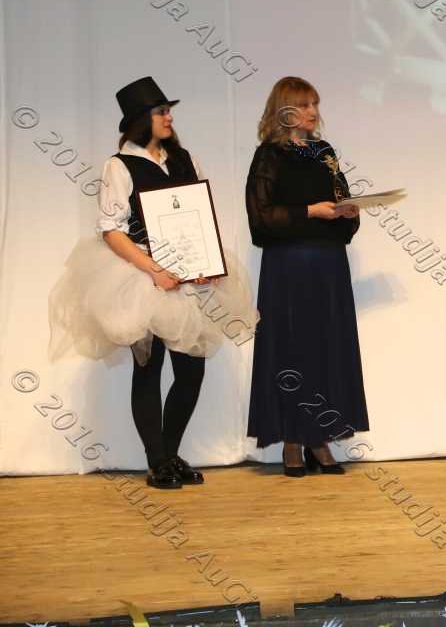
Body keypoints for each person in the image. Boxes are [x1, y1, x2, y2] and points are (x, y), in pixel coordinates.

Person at [48, 76, 257, 489]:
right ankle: (157, 461)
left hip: (187, 276)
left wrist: (206, 262)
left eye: (168, 111)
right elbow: (112, 230)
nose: (169, 117)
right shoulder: (119, 166)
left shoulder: (185, 159)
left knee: (191, 371)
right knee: (149, 369)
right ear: (142, 119)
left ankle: (170, 454)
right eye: (162, 112)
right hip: (143, 277)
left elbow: (200, 216)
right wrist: (153, 269)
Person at [245, 76, 368, 477]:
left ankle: (320, 438)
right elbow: (261, 218)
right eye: (304, 104)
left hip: (328, 266)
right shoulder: (269, 156)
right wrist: (310, 211)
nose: (313, 111)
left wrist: (347, 212)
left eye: (315, 104)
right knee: (292, 351)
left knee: (326, 349)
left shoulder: (324, 152)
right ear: (284, 110)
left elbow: (342, 205)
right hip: (289, 268)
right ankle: (293, 440)